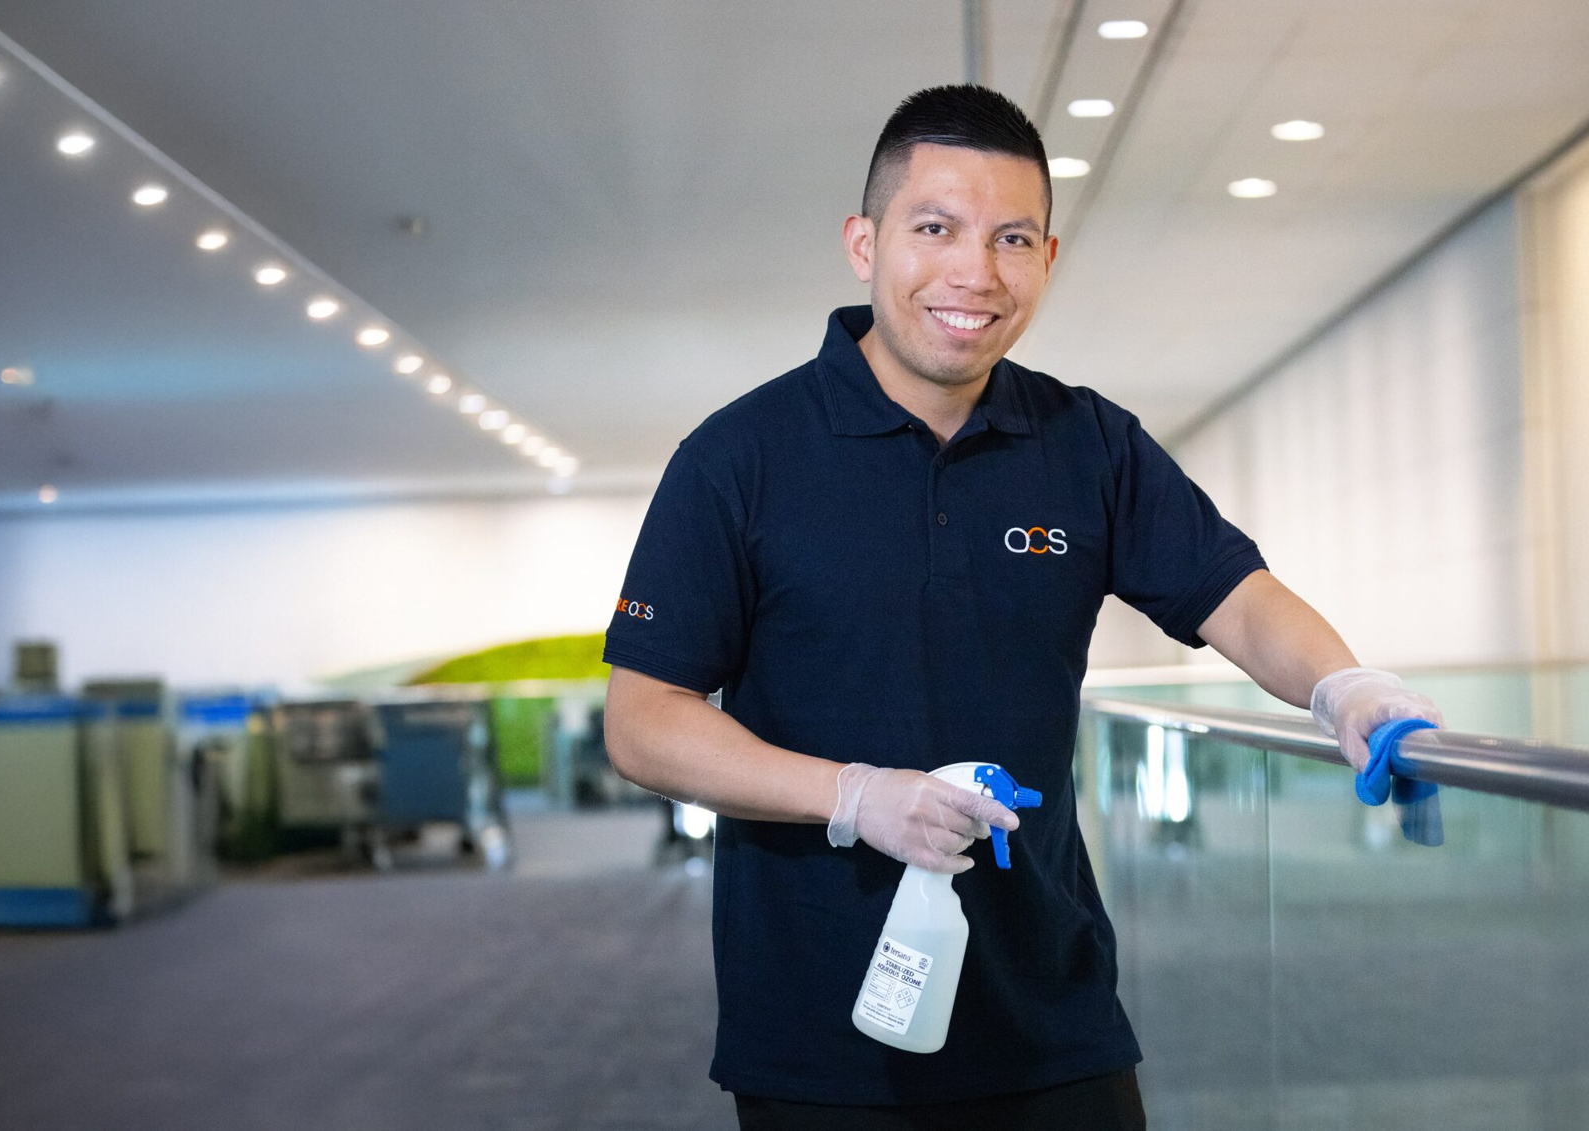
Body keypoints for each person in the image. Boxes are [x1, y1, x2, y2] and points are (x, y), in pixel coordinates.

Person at [602, 84, 1444, 1130]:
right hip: (823, 1032)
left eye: (1011, 238)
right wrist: (853, 795)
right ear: (864, 244)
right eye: (934, 229)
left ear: (1047, 259)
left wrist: (1344, 686)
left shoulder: (1083, 442)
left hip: (1052, 1014)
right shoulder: (739, 458)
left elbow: (1234, 595)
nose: (974, 272)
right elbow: (643, 723)